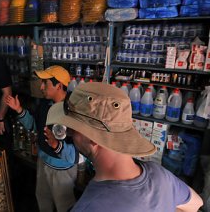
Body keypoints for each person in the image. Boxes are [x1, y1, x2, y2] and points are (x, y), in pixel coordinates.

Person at [47, 82, 203, 212]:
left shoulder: (89, 206)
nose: (70, 134)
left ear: (92, 137)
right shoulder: (161, 175)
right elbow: (196, 204)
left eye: (74, 129)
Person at [5, 65, 79, 212]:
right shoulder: (45, 104)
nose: (41, 87)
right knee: (43, 199)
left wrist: (56, 145)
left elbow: (74, 157)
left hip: (62, 170)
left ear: (58, 85)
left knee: (64, 206)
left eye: (45, 83)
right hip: (43, 162)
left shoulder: (72, 111)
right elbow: (34, 126)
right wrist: (19, 110)